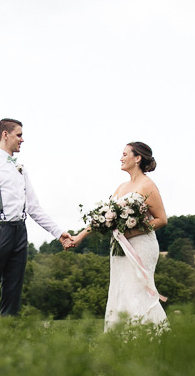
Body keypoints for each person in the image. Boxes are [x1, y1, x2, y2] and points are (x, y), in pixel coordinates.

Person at [0, 118, 72, 317]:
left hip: (19, 232)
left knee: (13, 292)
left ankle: (8, 339)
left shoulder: (20, 168)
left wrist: (58, 232)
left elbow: (33, 207)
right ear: (5, 135)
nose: (22, 140)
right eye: (19, 135)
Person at [66, 141, 169, 330]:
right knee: (120, 291)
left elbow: (162, 219)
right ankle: (121, 339)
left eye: (124, 154)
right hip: (119, 247)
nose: (120, 158)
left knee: (136, 290)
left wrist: (132, 231)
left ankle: (147, 336)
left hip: (140, 246)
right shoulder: (121, 187)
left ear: (137, 158)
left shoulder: (148, 186)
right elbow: (102, 218)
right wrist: (79, 236)